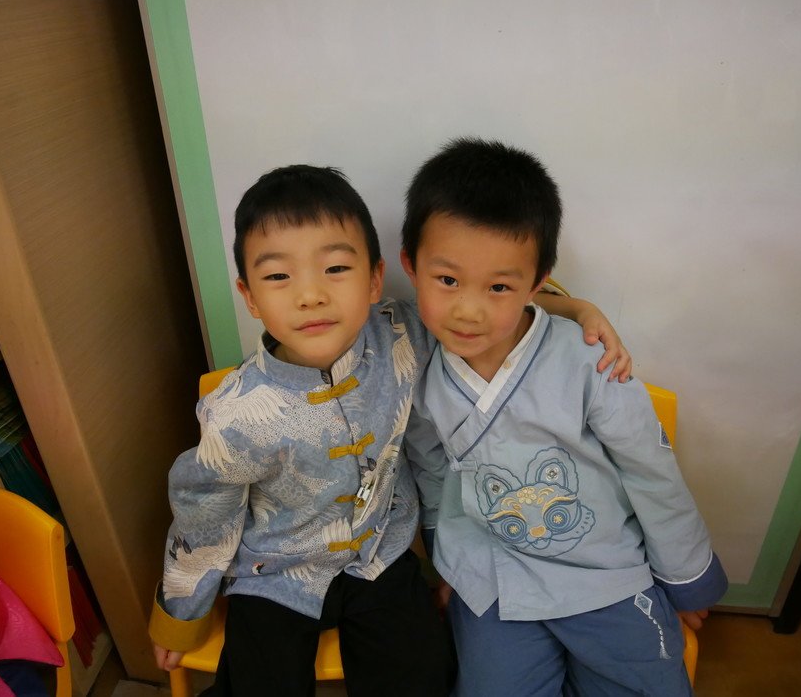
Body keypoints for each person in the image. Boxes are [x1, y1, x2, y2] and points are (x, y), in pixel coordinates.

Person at [148, 163, 631, 696]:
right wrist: (180, 613)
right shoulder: (235, 413)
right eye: (279, 277)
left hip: (381, 555)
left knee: (425, 675)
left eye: (335, 268)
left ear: (375, 278)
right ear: (250, 296)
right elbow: (204, 518)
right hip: (274, 572)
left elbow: (484, 303)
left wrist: (577, 308)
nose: (310, 296)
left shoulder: (402, 334)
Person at [400, 138, 729, 697]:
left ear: (537, 283)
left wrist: (685, 579)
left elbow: (651, 472)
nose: (468, 310)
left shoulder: (590, 360)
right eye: (447, 280)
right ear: (410, 265)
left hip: (602, 570)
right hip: (496, 576)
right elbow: (432, 474)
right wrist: (453, 565)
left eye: (499, 287)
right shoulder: (416, 361)